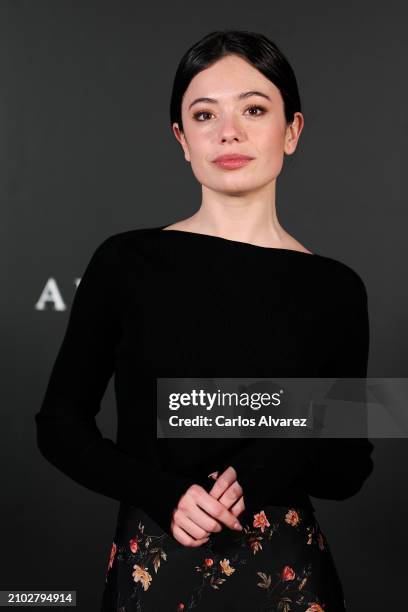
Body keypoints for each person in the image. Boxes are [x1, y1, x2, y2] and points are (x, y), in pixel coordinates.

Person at [35, 30, 374, 611]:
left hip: (287, 578)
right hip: (156, 568)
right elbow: (60, 425)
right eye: (204, 114)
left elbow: (347, 470)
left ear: (291, 130)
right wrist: (162, 493)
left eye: (254, 109)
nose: (229, 132)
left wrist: (275, 456)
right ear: (182, 138)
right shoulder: (126, 261)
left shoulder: (336, 288)